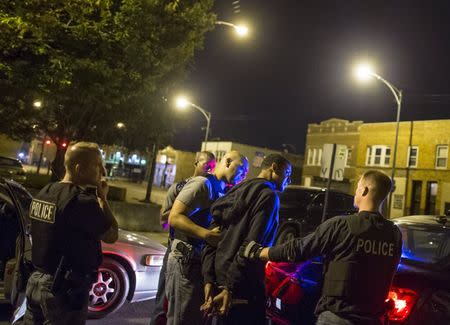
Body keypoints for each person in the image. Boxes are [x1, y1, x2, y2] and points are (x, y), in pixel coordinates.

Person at [241, 170, 403, 325]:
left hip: (338, 316)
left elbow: (300, 249)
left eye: (358, 187)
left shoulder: (342, 225)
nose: (355, 192)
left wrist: (261, 252)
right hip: (373, 319)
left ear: (365, 190)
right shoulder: (394, 234)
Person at [24, 142, 119, 325]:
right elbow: (111, 234)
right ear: (79, 169)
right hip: (64, 290)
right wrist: (103, 199)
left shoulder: (45, 192)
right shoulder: (82, 202)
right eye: (97, 165)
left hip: (36, 281)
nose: (103, 171)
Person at [201, 154, 292, 325]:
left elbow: (212, 237)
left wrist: (209, 278)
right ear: (274, 167)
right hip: (243, 287)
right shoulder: (269, 197)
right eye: (287, 173)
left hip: (221, 280)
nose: (289, 180)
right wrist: (231, 287)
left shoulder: (235, 190)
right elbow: (252, 245)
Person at [165, 151, 248, 325]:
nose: (244, 174)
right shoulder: (203, 184)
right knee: (182, 319)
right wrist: (206, 234)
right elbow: (174, 217)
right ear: (227, 162)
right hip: (185, 262)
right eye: (242, 169)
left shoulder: (221, 190)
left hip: (198, 264)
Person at [150, 151, 216, 325]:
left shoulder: (210, 188)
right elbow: (164, 218)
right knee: (163, 301)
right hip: (176, 249)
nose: (209, 170)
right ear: (196, 163)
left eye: (212, 167)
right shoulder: (179, 187)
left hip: (196, 252)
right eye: (206, 165)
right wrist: (184, 214)